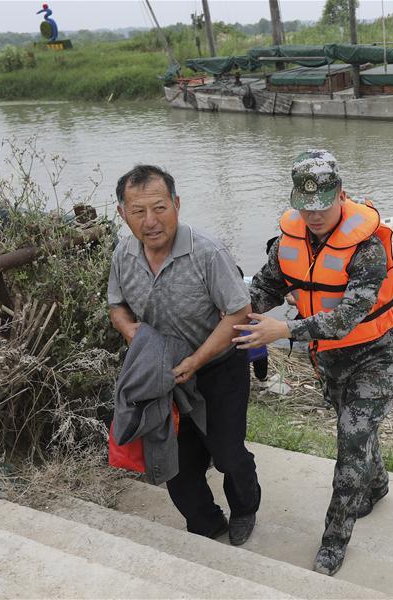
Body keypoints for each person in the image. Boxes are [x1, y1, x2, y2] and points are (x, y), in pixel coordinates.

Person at [233, 150, 393, 577]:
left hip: (375, 354)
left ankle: (333, 542)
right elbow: (265, 289)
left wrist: (283, 331)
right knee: (357, 430)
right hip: (328, 358)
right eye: (304, 206)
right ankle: (378, 486)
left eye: (323, 205)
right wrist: (225, 317)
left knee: (350, 446)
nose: (313, 215)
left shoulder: (366, 248)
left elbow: (348, 317)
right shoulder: (288, 241)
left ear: (341, 195)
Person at [107, 164, 260, 546]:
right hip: (164, 376)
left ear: (176, 204)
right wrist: (129, 330)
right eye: (138, 211)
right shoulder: (123, 254)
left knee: (227, 454)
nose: (150, 221)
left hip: (218, 370)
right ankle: (207, 523)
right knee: (172, 462)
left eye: (159, 208)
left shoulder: (207, 253)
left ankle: (245, 507)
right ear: (122, 214)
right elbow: (117, 306)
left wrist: (195, 361)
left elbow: (239, 313)